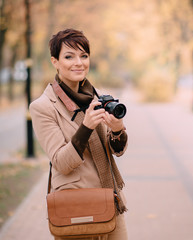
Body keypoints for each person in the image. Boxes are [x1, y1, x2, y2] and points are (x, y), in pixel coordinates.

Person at [29, 28, 128, 240]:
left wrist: (118, 129)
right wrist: (87, 127)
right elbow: (61, 162)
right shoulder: (43, 107)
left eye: (84, 56)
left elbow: (116, 151)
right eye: (69, 56)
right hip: (77, 208)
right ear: (55, 61)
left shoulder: (98, 96)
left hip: (111, 201)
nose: (79, 62)